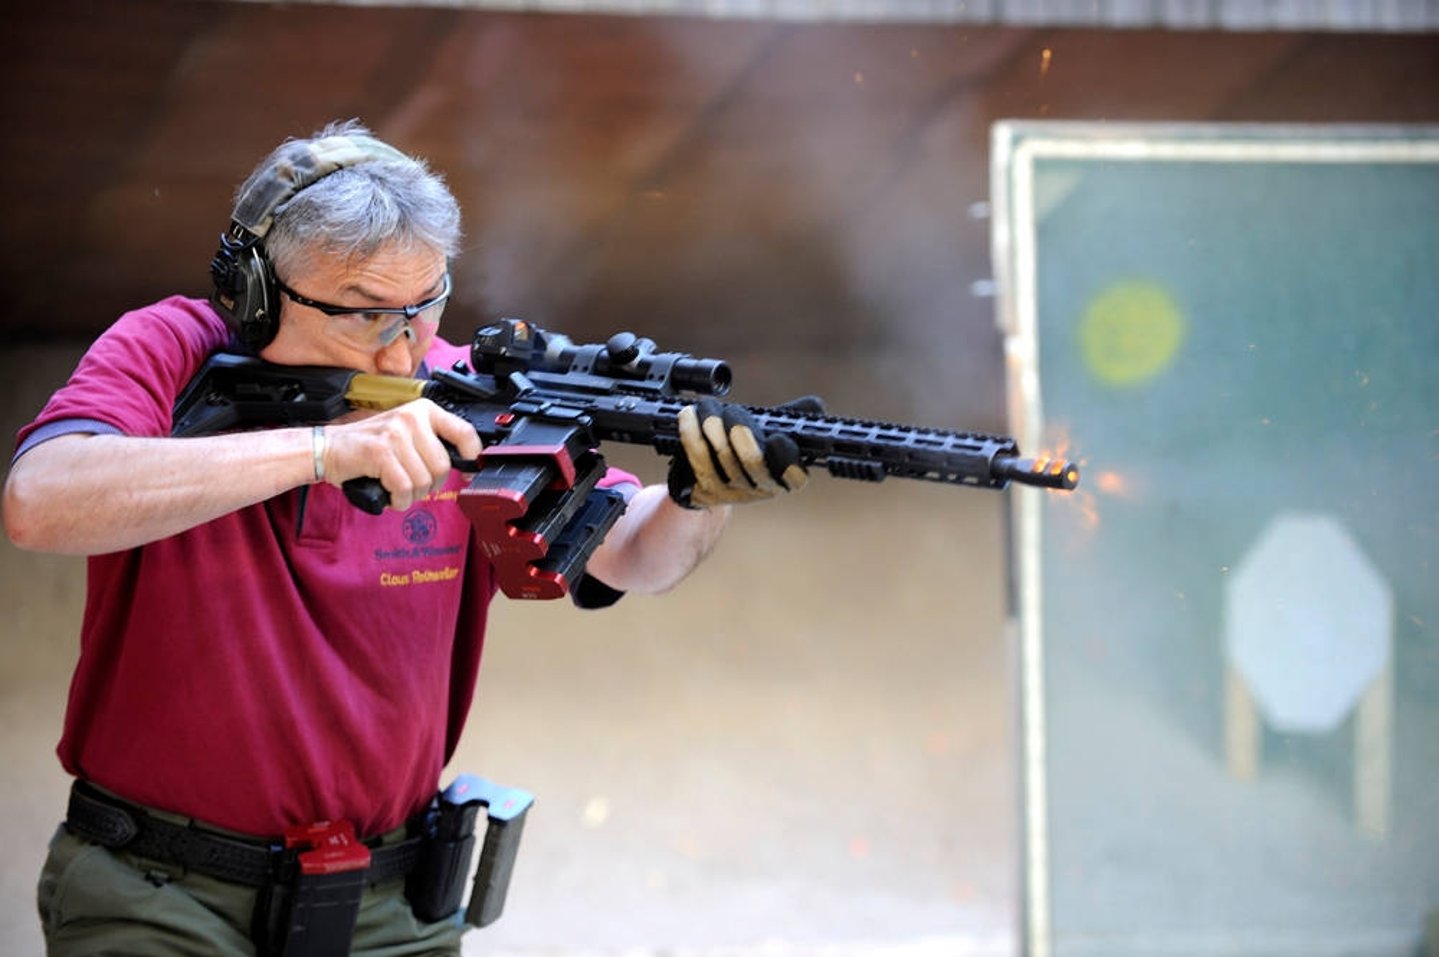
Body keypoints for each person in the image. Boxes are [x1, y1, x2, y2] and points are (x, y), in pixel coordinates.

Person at [2, 119, 807, 957]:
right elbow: (42, 500)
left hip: (383, 904)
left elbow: (634, 554)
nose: (404, 345)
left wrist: (698, 496)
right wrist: (323, 450)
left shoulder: (460, 389)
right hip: (161, 889)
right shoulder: (170, 347)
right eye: (364, 314)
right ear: (257, 292)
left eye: (425, 303)